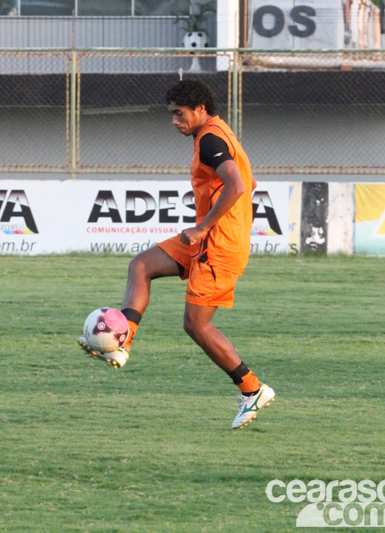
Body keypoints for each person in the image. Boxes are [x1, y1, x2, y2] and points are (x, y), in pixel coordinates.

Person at [79, 80, 274, 430]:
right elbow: (246, 181)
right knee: (141, 265)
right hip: (208, 236)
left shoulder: (212, 140)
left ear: (200, 107)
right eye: (171, 114)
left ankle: (253, 389)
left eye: (178, 113)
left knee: (196, 325)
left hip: (219, 243)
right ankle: (120, 343)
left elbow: (237, 185)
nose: (174, 121)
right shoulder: (214, 134)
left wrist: (204, 227)